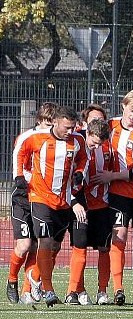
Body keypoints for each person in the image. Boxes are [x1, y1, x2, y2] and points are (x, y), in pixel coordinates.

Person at [17, 105, 87, 307]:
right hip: (39, 197)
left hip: (63, 201)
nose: (69, 131)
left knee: (55, 246)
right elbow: (20, 153)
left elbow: (83, 158)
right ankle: (48, 289)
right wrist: (19, 176)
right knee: (45, 242)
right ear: (55, 122)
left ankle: (35, 281)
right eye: (66, 127)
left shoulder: (77, 141)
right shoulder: (37, 138)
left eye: (72, 127)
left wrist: (80, 171)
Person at [91, 89, 133, 306]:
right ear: (123, 106)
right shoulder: (110, 126)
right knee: (118, 237)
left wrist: (113, 175)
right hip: (118, 194)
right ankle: (118, 289)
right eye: (131, 111)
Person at [7, 102, 57, 304]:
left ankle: (28, 290)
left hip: (42, 197)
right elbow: (17, 156)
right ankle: (11, 280)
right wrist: (19, 178)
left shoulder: (58, 139)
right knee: (24, 244)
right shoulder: (28, 137)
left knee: (38, 245)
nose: (48, 126)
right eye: (45, 122)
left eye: (51, 122)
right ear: (39, 120)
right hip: (23, 196)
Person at [65, 112, 113, 306]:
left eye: (100, 144)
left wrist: (110, 176)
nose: (96, 147)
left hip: (102, 204)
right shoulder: (75, 143)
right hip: (79, 203)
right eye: (94, 143)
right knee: (79, 246)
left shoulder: (107, 146)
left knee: (104, 247)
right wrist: (74, 201)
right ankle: (74, 291)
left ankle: (102, 291)